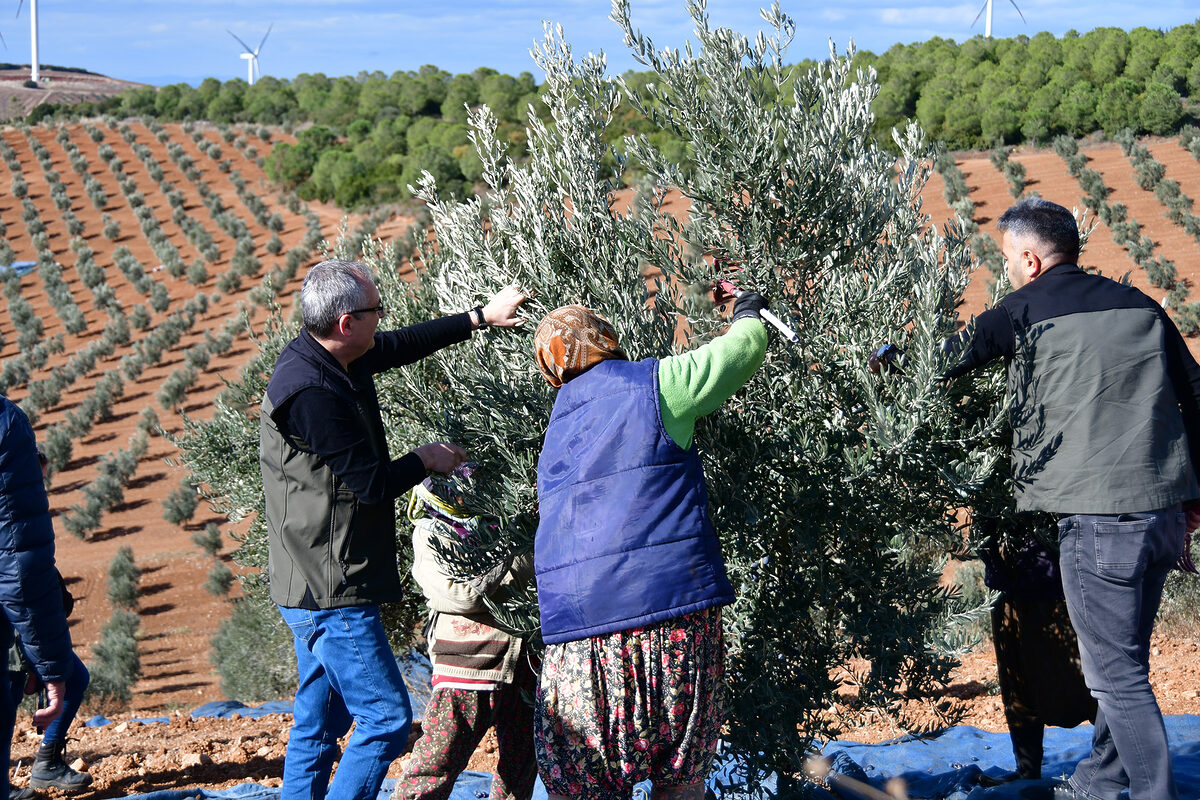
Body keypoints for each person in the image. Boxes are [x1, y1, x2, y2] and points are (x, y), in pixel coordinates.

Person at [942, 197, 1200, 800]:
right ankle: (1103, 778)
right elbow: (1196, 391)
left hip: (1100, 521)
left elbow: (946, 362)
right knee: (1126, 660)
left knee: (1114, 677)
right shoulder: (1141, 306)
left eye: (1007, 259)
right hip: (1162, 518)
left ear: (1029, 259)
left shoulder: (1022, 309)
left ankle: (1151, 792)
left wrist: (884, 364)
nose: (1007, 270)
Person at [260, 259, 525, 800]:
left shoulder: (332, 355)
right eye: (375, 311)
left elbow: (402, 345)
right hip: (331, 588)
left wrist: (480, 317)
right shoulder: (311, 393)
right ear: (345, 323)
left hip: (305, 580)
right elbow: (373, 484)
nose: (383, 320)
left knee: (317, 724)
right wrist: (426, 459)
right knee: (384, 720)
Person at [532, 293, 769, 800]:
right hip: (670, 618)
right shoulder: (653, 386)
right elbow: (738, 355)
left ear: (550, 368)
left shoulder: (555, 428)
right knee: (679, 778)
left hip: (577, 634)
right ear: (606, 340)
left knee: (585, 784)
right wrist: (748, 314)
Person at [392, 468, 537, 800]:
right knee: (434, 766)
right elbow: (462, 595)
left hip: (526, 666)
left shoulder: (504, 523)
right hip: (467, 671)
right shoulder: (431, 534)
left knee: (520, 773)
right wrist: (507, 547)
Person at [973, 523, 1095, 786]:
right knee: (1015, 676)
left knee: (1084, 673)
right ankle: (1027, 771)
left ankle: (1120, 764)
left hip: (1052, 574)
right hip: (1007, 574)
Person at [0, 396, 72, 800]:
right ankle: (44, 764)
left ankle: (46, 761)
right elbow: (22, 577)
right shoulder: (7, 424)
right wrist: (49, 668)